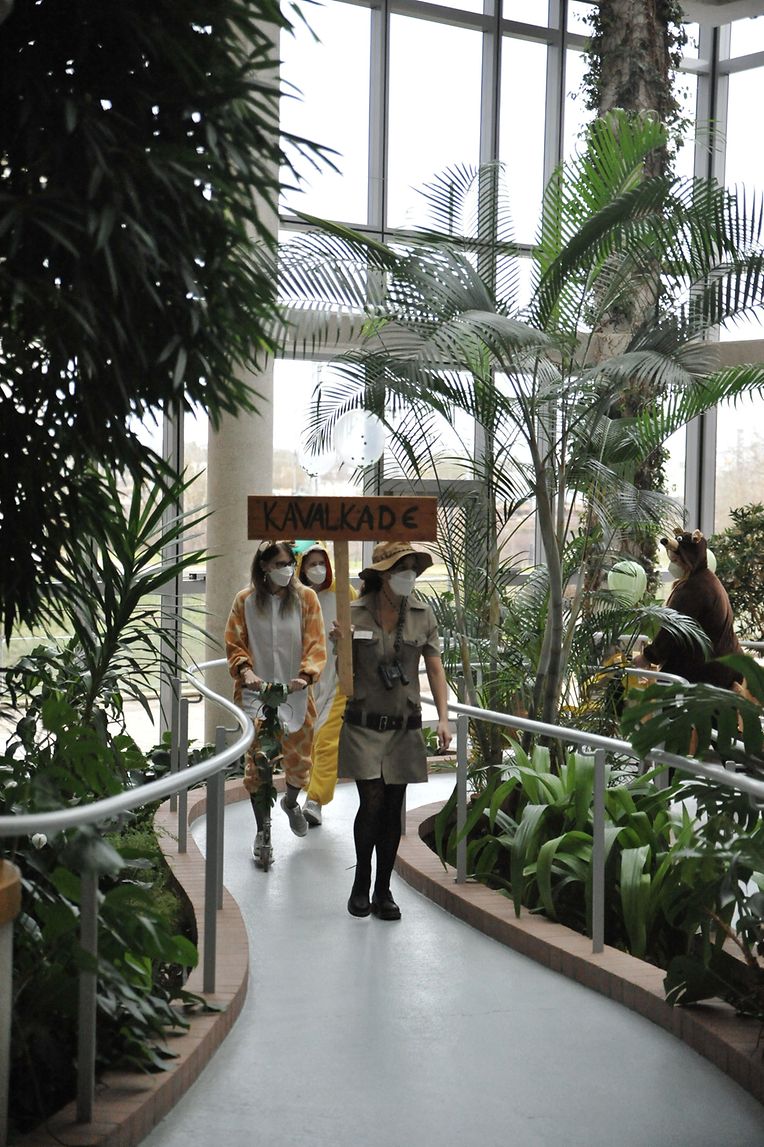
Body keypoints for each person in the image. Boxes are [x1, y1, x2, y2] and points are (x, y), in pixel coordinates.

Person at [335, 539, 452, 921]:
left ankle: (383, 890)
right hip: (364, 724)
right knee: (371, 802)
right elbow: (341, 674)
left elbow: (434, 667)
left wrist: (444, 718)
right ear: (383, 575)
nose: (409, 576)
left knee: (391, 808)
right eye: (402, 569)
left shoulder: (422, 614)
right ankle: (361, 881)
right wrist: (340, 644)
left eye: (413, 570)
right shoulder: (353, 613)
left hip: (404, 725)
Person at [225, 540, 327, 866]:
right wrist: (246, 671)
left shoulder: (305, 599)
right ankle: (263, 831)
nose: (287, 570)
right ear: (264, 567)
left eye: (290, 563)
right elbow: (234, 642)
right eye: (280, 564)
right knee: (258, 764)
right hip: (256, 694)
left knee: (300, 763)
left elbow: (316, 642)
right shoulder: (245, 600)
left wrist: (306, 675)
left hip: (295, 693)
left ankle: (291, 802)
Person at [294, 540, 357, 827]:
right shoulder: (297, 599)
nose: (318, 569)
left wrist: (347, 635)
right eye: (312, 564)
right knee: (308, 741)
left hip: (337, 681)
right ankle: (307, 789)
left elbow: (360, 624)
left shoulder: (344, 593)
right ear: (302, 568)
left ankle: (315, 800)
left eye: (322, 563)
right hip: (305, 683)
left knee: (328, 742)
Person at [632, 529, 742, 687]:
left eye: (676, 561)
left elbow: (673, 629)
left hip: (703, 673)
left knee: (663, 694)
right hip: (725, 667)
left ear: (689, 559)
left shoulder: (694, 589)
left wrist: (648, 657)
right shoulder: (709, 580)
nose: (672, 566)